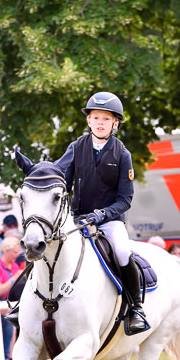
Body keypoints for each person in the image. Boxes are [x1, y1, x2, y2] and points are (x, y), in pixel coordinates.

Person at [54, 90, 149, 333]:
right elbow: (61, 179)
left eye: (106, 119)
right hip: (76, 219)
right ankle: (25, 304)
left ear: (115, 123)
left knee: (122, 251)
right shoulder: (76, 147)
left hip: (109, 221)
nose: (100, 122)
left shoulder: (122, 155)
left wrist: (101, 215)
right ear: (88, 120)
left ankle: (136, 307)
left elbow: (125, 199)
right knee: (48, 247)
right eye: (96, 117)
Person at [0, 237, 21, 360]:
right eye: (15, 252)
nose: (17, 255)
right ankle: (8, 357)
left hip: (13, 302)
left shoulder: (15, 265)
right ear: (6, 251)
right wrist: (14, 278)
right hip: (1, 303)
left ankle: (13, 356)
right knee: (10, 321)